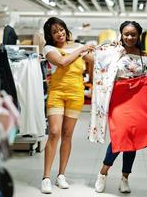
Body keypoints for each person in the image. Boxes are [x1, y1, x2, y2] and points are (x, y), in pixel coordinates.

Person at [93, 21, 147, 194]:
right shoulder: (113, 51)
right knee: (120, 136)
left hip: (137, 101)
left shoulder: (144, 55)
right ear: (121, 34)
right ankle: (103, 173)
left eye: (133, 34)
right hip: (119, 100)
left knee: (133, 140)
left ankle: (125, 178)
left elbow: (146, 79)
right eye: (126, 34)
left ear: (138, 35)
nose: (129, 37)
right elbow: (95, 58)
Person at [40, 17, 94, 194]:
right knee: (54, 132)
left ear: (65, 29)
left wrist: (113, 51)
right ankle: (46, 177)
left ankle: (61, 175)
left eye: (61, 29)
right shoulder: (49, 48)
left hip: (76, 94)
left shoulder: (77, 46)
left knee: (67, 134)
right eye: (54, 32)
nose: (59, 34)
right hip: (57, 93)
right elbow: (61, 62)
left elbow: (94, 59)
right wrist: (81, 49)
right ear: (50, 35)